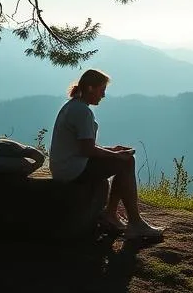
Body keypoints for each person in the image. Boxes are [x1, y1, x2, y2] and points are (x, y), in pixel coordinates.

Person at [49, 68, 163, 241]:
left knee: (122, 160)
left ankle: (112, 214)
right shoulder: (82, 112)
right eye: (102, 90)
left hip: (64, 166)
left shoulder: (73, 106)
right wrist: (116, 156)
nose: (103, 95)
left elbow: (83, 145)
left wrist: (112, 150)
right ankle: (134, 223)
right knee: (126, 162)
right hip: (72, 169)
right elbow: (86, 150)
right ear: (90, 88)